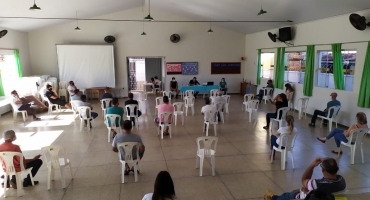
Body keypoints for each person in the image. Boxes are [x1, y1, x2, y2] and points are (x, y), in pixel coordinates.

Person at [264, 157, 346, 200]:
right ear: (337, 169)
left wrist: (312, 165)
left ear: (323, 169)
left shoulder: (317, 184)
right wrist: (310, 189)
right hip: (323, 197)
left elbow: (304, 180)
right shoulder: (341, 180)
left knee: (288, 195)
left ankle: (273, 198)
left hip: (304, 197)